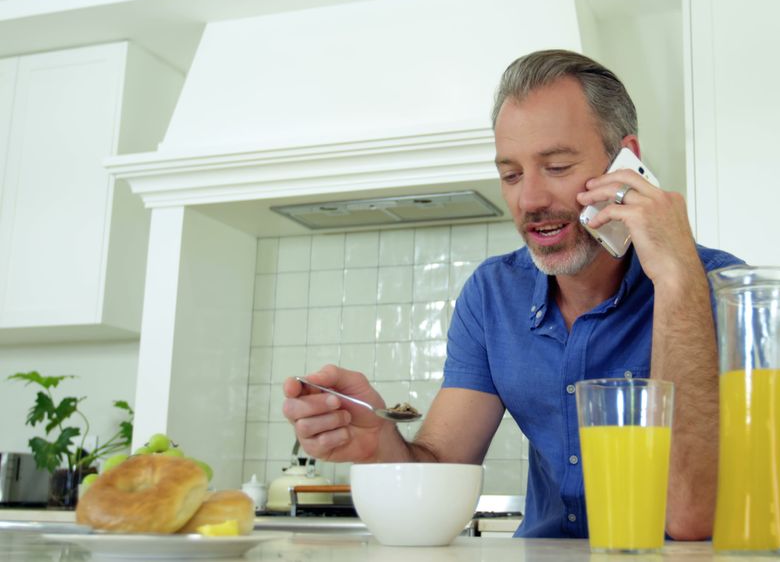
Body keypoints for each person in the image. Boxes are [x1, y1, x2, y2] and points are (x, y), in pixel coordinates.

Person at [282, 49, 742, 540]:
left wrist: (676, 280)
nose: (530, 200)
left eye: (558, 166)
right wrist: (380, 440)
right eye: (511, 174)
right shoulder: (492, 294)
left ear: (624, 159)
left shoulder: (724, 289)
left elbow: (693, 516)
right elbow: (438, 465)